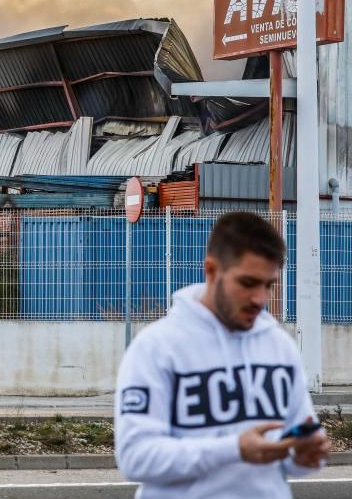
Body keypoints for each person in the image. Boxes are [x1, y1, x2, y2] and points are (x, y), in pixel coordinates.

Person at [114, 211, 330, 497]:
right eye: (248, 283)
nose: (260, 299)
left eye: (268, 285)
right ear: (212, 271)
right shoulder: (156, 348)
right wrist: (234, 449)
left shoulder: (279, 346)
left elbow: (295, 452)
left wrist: (305, 456)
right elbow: (135, 458)